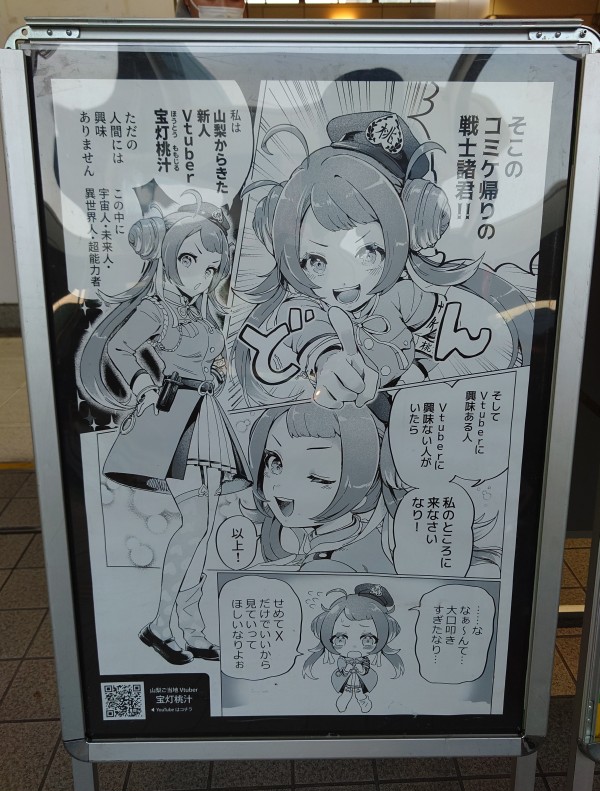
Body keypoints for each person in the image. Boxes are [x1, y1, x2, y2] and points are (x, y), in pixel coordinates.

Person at [235, 111, 534, 410]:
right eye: (316, 262)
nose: (343, 282)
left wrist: (447, 349)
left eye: (368, 253)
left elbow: (437, 324)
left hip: (409, 389)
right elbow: (314, 339)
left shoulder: (401, 295)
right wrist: (329, 361)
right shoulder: (311, 310)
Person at [78, 194, 250, 664]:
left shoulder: (198, 313)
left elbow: (206, 361)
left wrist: (216, 373)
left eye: (212, 268)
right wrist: (143, 385)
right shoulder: (158, 309)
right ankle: (161, 623)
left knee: (204, 526)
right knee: (195, 523)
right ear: (171, 258)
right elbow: (119, 348)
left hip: (205, 415)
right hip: (176, 417)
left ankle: (189, 625)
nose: (202, 276)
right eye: (191, 261)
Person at [244, 402, 396, 572]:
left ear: (361, 491)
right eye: (275, 463)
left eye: (317, 477)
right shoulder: (280, 535)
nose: (283, 484)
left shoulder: (355, 557)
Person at [303, 583, 403, 713]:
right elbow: (341, 668)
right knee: (346, 692)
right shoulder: (343, 659)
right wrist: (346, 668)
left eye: (367, 639)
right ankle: (344, 699)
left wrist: (361, 669)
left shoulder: (364, 660)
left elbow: (366, 668)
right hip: (346, 681)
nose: (354, 646)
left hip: (361, 681)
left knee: (361, 692)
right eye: (340, 638)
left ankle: (362, 700)